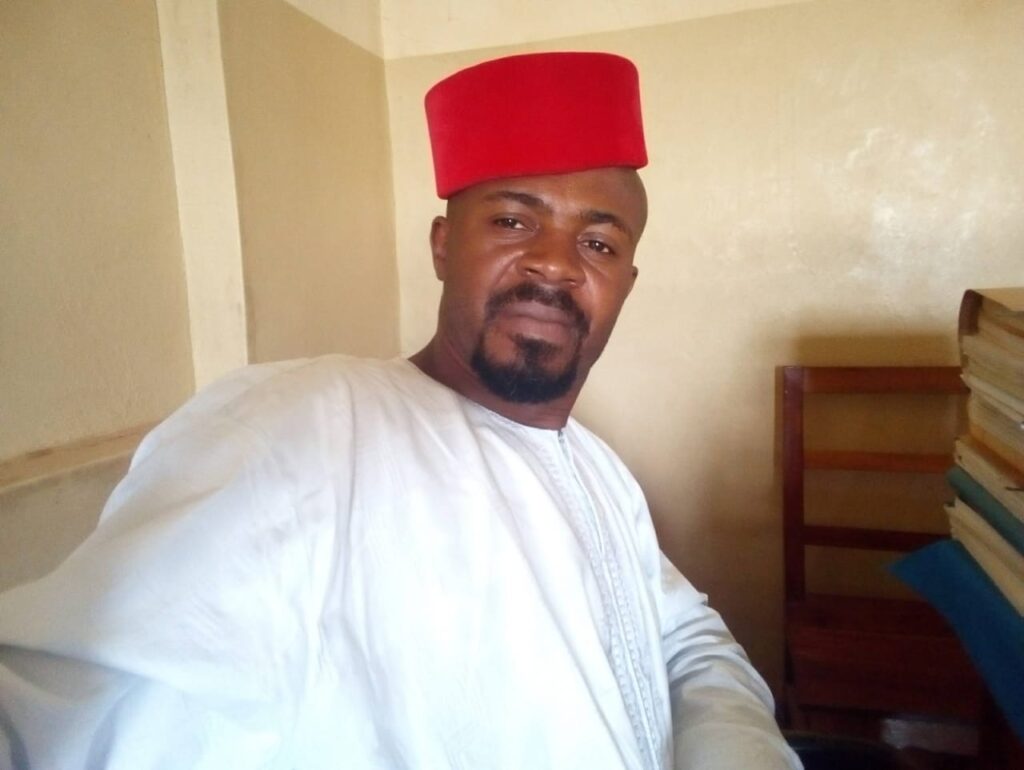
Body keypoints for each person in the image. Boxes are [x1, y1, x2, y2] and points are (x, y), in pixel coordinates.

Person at [0, 52, 800, 770]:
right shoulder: (306, 425)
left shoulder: (598, 470)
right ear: (443, 245)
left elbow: (685, 642)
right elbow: (67, 713)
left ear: (626, 282)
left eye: (598, 243)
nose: (554, 263)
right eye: (513, 221)